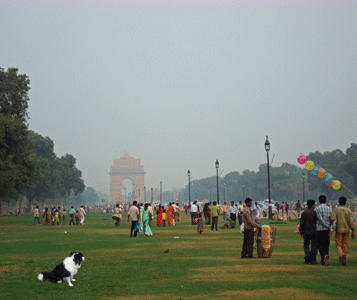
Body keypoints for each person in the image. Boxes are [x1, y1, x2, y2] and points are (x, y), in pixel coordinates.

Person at [330, 196, 356, 266]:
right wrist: (353, 231)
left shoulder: (337, 209)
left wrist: (329, 222)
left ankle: (341, 255)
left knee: (338, 244)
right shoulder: (348, 210)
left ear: (339, 202)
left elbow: (332, 219)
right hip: (347, 230)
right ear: (345, 202)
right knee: (345, 245)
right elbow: (351, 222)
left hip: (339, 230)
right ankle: (342, 260)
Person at [315, 195, 333, 266]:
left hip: (319, 229)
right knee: (326, 244)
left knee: (319, 244)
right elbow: (332, 220)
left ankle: (323, 256)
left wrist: (326, 225)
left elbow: (320, 219)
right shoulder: (330, 209)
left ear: (319, 200)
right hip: (327, 230)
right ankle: (326, 258)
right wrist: (330, 228)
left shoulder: (317, 209)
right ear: (326, 200)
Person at [299, 199, 318, 265]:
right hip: (313, 231)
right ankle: (313, 259)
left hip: (306, 231)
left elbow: (301, 223)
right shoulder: (314, 212)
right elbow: (317, 222)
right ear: (312, 205)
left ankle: (307, 255)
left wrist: (301, 231)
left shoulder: (304, 212)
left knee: (306, 245)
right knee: (314, 246)